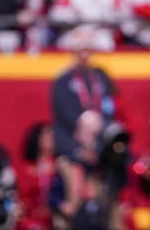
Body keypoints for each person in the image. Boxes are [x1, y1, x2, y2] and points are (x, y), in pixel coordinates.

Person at [49, 28, 119, 161]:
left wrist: (100, 124)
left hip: (98, 139)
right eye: (81, 50)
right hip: (71, 141)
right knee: (75, 177)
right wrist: (82, 125)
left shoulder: (101, 76)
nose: (85, 55)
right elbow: (63, 110)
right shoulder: (63, 79)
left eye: (88, 50)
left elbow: (108, 103)